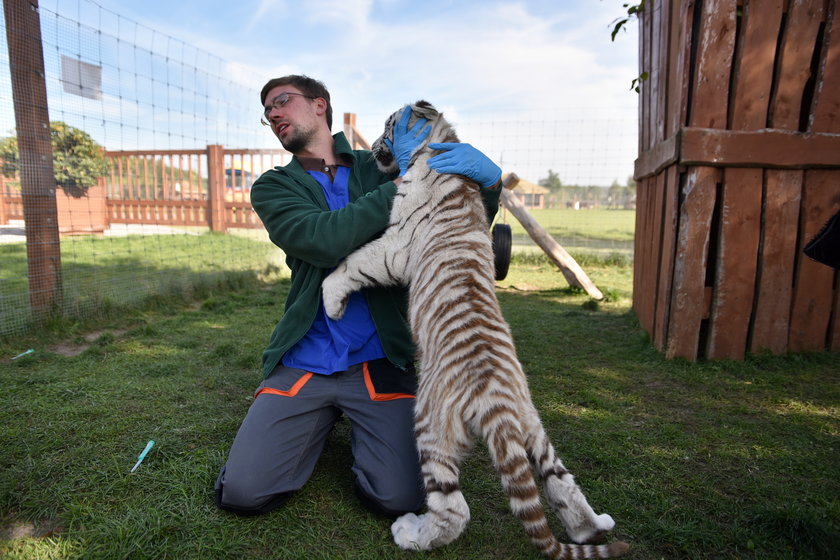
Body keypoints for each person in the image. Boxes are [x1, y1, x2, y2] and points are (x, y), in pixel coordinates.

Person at [216, 75, 503, 517]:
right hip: (305, 358)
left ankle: (361, 427)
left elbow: (450, 225)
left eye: (282, 101)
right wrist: (410, 187)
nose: (273, 114)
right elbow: (321, 240)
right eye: (267, 110)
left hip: (378, 359)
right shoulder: (274, 186)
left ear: (319, 105)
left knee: (404, 499)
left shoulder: (379, 166)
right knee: (242, 493)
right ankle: (316, 417)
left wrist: (488, 186)